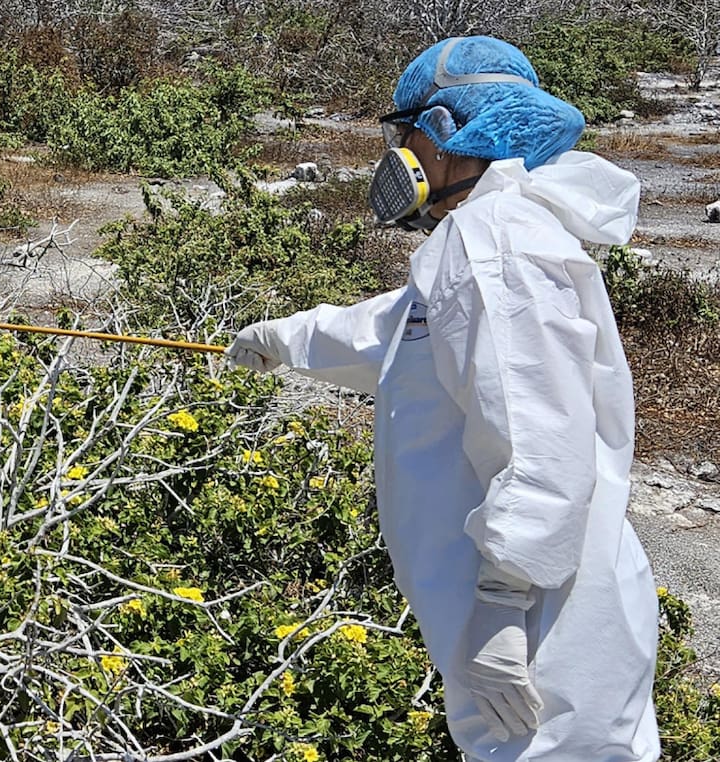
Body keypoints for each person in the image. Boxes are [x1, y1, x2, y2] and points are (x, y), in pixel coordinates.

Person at [227, 36, 660, 761]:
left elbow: (539, 434)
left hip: (539, 635)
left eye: (406, 132)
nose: (398, 152)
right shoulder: (487, 236)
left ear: (446, 132)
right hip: (533, 614)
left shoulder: (496, 243)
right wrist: (281, 337)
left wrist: (502, 607)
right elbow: (399, 334)